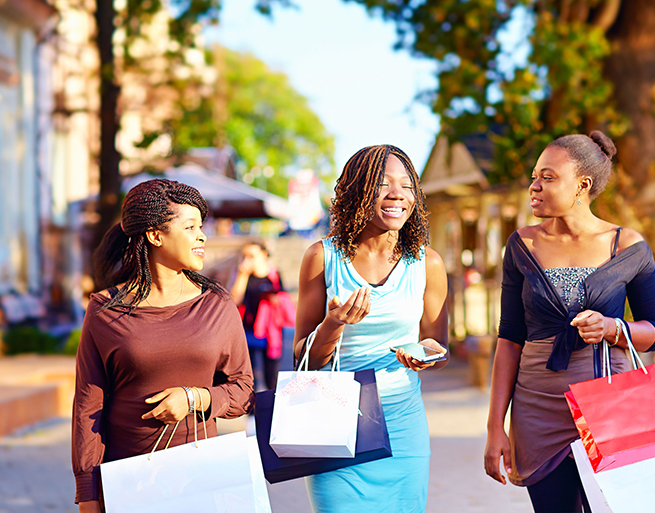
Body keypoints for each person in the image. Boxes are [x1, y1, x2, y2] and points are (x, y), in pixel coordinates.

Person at [484, 131, 655, 513]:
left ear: (582, 185)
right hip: (537, 407)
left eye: (548, 177)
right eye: (535, 176)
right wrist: (494, 428)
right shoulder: (521, 246)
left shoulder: (628, 245)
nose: (534, 186)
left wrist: (614, 328)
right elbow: (510, 339)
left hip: (610, 401)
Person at [71, 179, 254, 512]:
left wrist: (194, 397)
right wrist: (88, 492)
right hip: (127, 479)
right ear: (155, 235)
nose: (202, 236)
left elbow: (243, 390)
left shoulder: (216, 304)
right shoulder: (105, 309)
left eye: (202, 226)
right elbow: (88, 407)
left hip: (202, 479)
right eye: (190, 227)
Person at [293, 144, 449, 513]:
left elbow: (440, 348)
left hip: (403, 427)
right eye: (383, 184)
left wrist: (426, 356)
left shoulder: (428, 263)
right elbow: (302, 357)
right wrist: (333, 324)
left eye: (407, 186)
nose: (397, 194)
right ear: (356, 192)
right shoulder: (321, 257)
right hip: (335, 423)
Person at [230, 240, 293, 391]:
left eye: (252, 255)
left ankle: (270, 406)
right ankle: (251, 409)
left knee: (271, 373)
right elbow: (234, 300)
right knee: (248, 374)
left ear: (263, 255)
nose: (248, 260)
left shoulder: (274, 274)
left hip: (270, 332)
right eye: (245, 256)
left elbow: (283, 296)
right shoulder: (242, 275)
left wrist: (275, 299)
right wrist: (242, 275)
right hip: (247, 330)